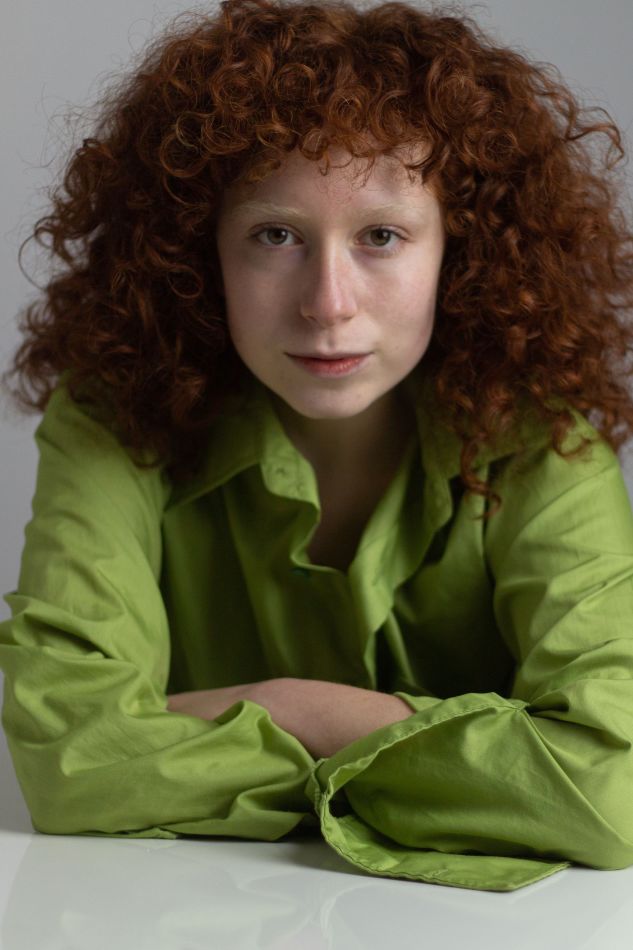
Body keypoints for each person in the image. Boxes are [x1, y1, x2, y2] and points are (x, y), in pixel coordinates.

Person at [1, 0, 633, 893]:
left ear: (458, 251)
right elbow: (69, 760)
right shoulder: (112, 418)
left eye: (380, 236)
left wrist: (294, 709)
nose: (327, 304)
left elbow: (611, 789)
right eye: (275, 235)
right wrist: (485, 775)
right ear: (199, 253)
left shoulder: (542, 441)